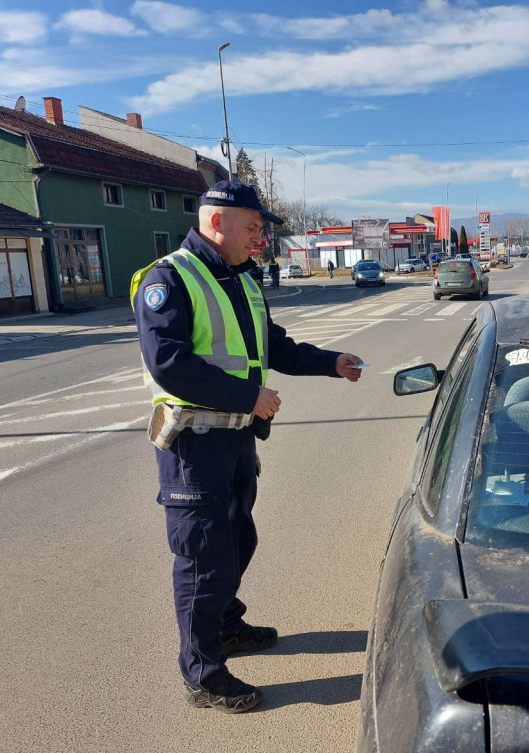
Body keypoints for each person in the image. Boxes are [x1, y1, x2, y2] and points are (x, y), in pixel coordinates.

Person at [131, 180, 363, 714]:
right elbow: (168, 363)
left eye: (261, 231)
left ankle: (227, 625)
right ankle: (203, 674)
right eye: (253, 228)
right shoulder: (170, 278)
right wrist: (249, 395)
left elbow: (271, 344)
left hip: (235, 439)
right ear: (218, 223)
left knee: (237, 540)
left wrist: (330, 362)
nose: (259, 240)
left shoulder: (240, 279)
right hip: (193, 445)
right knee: (202, 558)